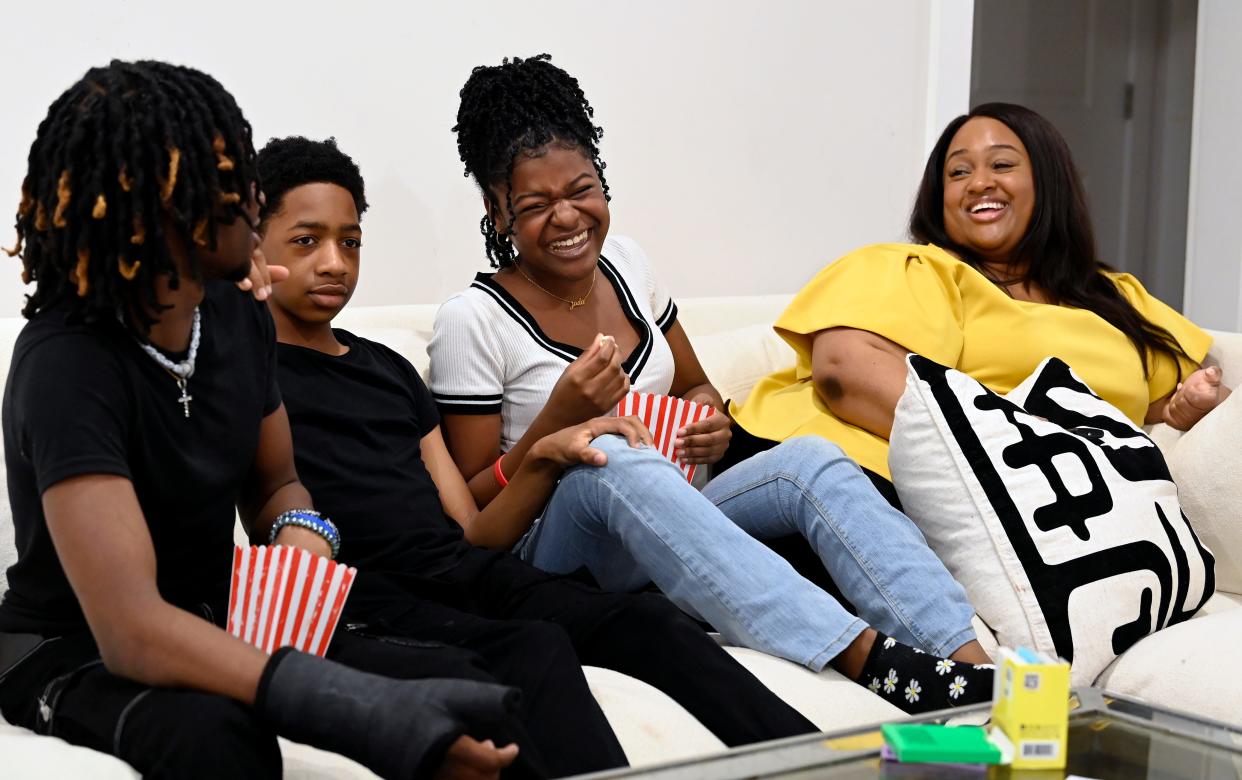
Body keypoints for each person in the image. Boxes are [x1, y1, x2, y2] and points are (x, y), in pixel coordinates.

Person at [0, 61, 523, 780]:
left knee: (477, 693)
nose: (253, 197)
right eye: (231, 179)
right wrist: (357, 710)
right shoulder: (67, 365)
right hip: (73, 646)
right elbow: (131, 630)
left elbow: (277, 485)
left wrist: (300, 535)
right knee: (217, 738)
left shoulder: (238, 315)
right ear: (170, 203)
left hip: (215, 616)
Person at [429, 54, 995, 714]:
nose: (567, 217)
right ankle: (870, 659)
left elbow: (697, 385)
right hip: (560, 550)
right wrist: (560, 419)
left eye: (581, 189)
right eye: (535, 204)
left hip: (679, 513)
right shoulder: (471, 321)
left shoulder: (629, 265)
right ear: (498, 212)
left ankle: (975, 668)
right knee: (612, 463)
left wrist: (709, 418)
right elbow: (471, 520)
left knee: (810, 462)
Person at [258, 134, 819, 773]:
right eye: (306, 241)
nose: (334, 262)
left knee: (651, 624)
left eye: (350, 241)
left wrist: (548, 455)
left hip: (460, 573)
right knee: (535, 649)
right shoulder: (242, 371)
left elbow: (473, 531)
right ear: (254, 246)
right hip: (367, 597)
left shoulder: (388, 369)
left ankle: (823, 765)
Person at [729, 102, 1230, 486]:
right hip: (828, 470)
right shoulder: (914, 268)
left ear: (1048, 182)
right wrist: (1023, 449)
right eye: (958, 172)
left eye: (1002, 165)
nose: (979, 183)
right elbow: (846, 376)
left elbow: (1165, 400)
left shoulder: (1115, 298)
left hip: (1019, 505)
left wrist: (1181, 409)